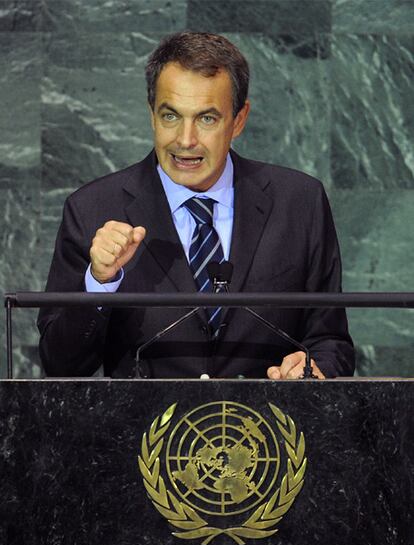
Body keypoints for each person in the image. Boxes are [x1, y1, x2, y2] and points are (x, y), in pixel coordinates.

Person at [38, 32, 355, 380]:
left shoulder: (299, 203)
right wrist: (99, 282)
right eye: (171, 117)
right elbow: (60, 365)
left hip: (264, 430)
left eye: (206, 119)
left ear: (238, 120)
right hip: (143, 431)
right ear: (151, 114)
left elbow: (332, 343)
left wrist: (313, 367)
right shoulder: (92, 209)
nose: (185, 140)